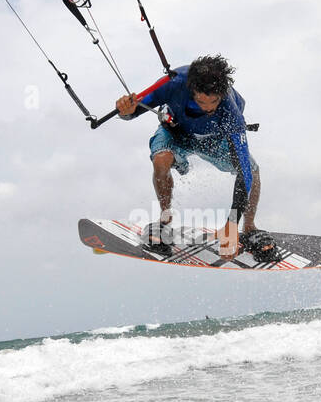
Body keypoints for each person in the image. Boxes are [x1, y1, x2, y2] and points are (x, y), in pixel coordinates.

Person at [114, 55, 276, 261]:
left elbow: (244, 171)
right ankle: (164, 221)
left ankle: (249, 228)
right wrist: (125, 111)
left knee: (252, 171)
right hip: (176, 133)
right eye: (201, 101)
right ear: (191, 90)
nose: (208, 108)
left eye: (213, 102)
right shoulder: (173, 84)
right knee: (161, 160)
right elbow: (133, 110)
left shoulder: (231, 111)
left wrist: (232, 224)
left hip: (215, 140)